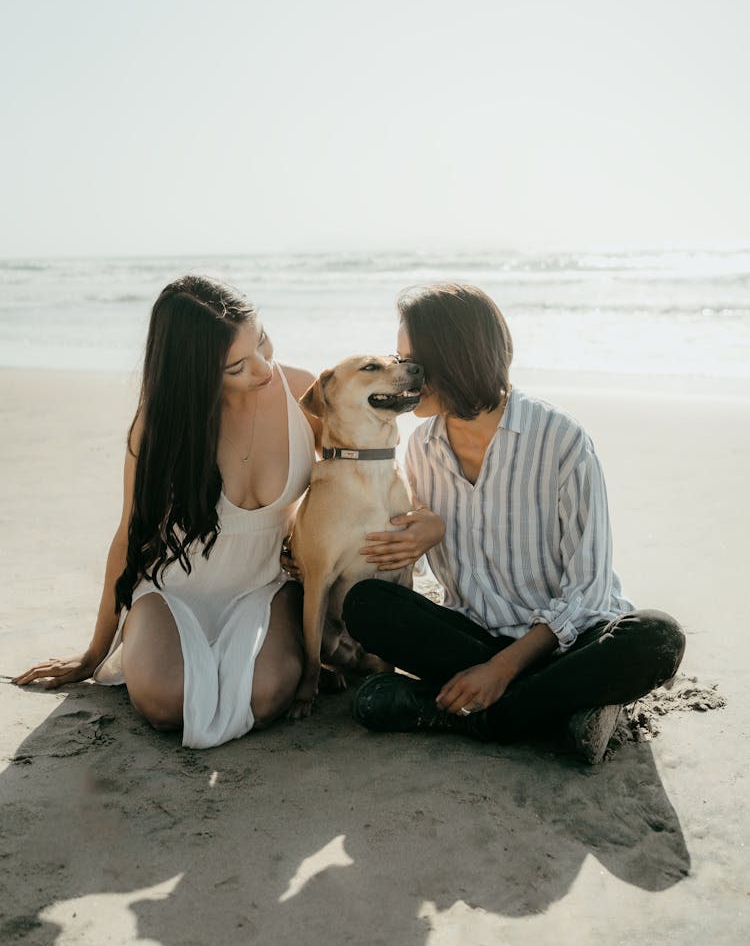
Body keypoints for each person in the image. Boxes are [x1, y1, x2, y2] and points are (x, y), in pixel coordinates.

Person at [343, 282, 686, 763]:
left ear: (459, 358)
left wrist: (502, 670)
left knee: (657, 637)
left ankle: (467, 712)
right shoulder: (419, 447)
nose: (404, 377)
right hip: (473, 638)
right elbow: (414, 552)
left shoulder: (561, 440)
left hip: (565, 642)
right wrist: (423, 535)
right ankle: (561, 706)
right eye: (398, 361)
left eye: (414, 363)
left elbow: (588, 592)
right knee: (366, 605)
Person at [14, 276, 320, 748]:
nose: (262, 368)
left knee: (267, 695)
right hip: (174, 592)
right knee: (163, 701)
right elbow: (128, 536)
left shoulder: (303, 394)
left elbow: (356, 474)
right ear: (196, 373)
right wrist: (93, 653)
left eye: (261, 340)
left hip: (263, 588)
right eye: (235, 366)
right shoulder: (160, 427)